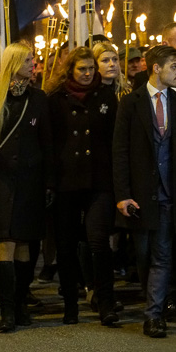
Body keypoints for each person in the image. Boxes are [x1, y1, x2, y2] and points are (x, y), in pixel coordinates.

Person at [114, 45, 176, 339]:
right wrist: (123, 193)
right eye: (175, 66)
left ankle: (154, 315)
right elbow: (121, 151)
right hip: (140, 193)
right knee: (142, 253)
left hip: (170, 193)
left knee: (162, 255)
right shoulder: (131, 103)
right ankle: (151, 298)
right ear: (157, 68)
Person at [0, 43, 52, 333]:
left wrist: (49, 182)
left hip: (30, 182)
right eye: (27, 59)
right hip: (1, 183)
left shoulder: (39, 98)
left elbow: (47, 143)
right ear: (13, 63)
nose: (33, 64)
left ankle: (20, 304)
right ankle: (6, 309)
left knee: (24, 245)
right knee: (6, 242)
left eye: (33, 59)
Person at [48, 47, 119, 326]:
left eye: (92, 68)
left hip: (98, 180)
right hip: (66, 181)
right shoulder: (56, 99)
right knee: (65, 246)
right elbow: (51, 142)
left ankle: (106, 302)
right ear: (71, 70)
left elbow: (114, 139)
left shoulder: (105, 97)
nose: (88, 74)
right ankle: (70, 304)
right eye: (82, 69)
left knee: (99, 242)